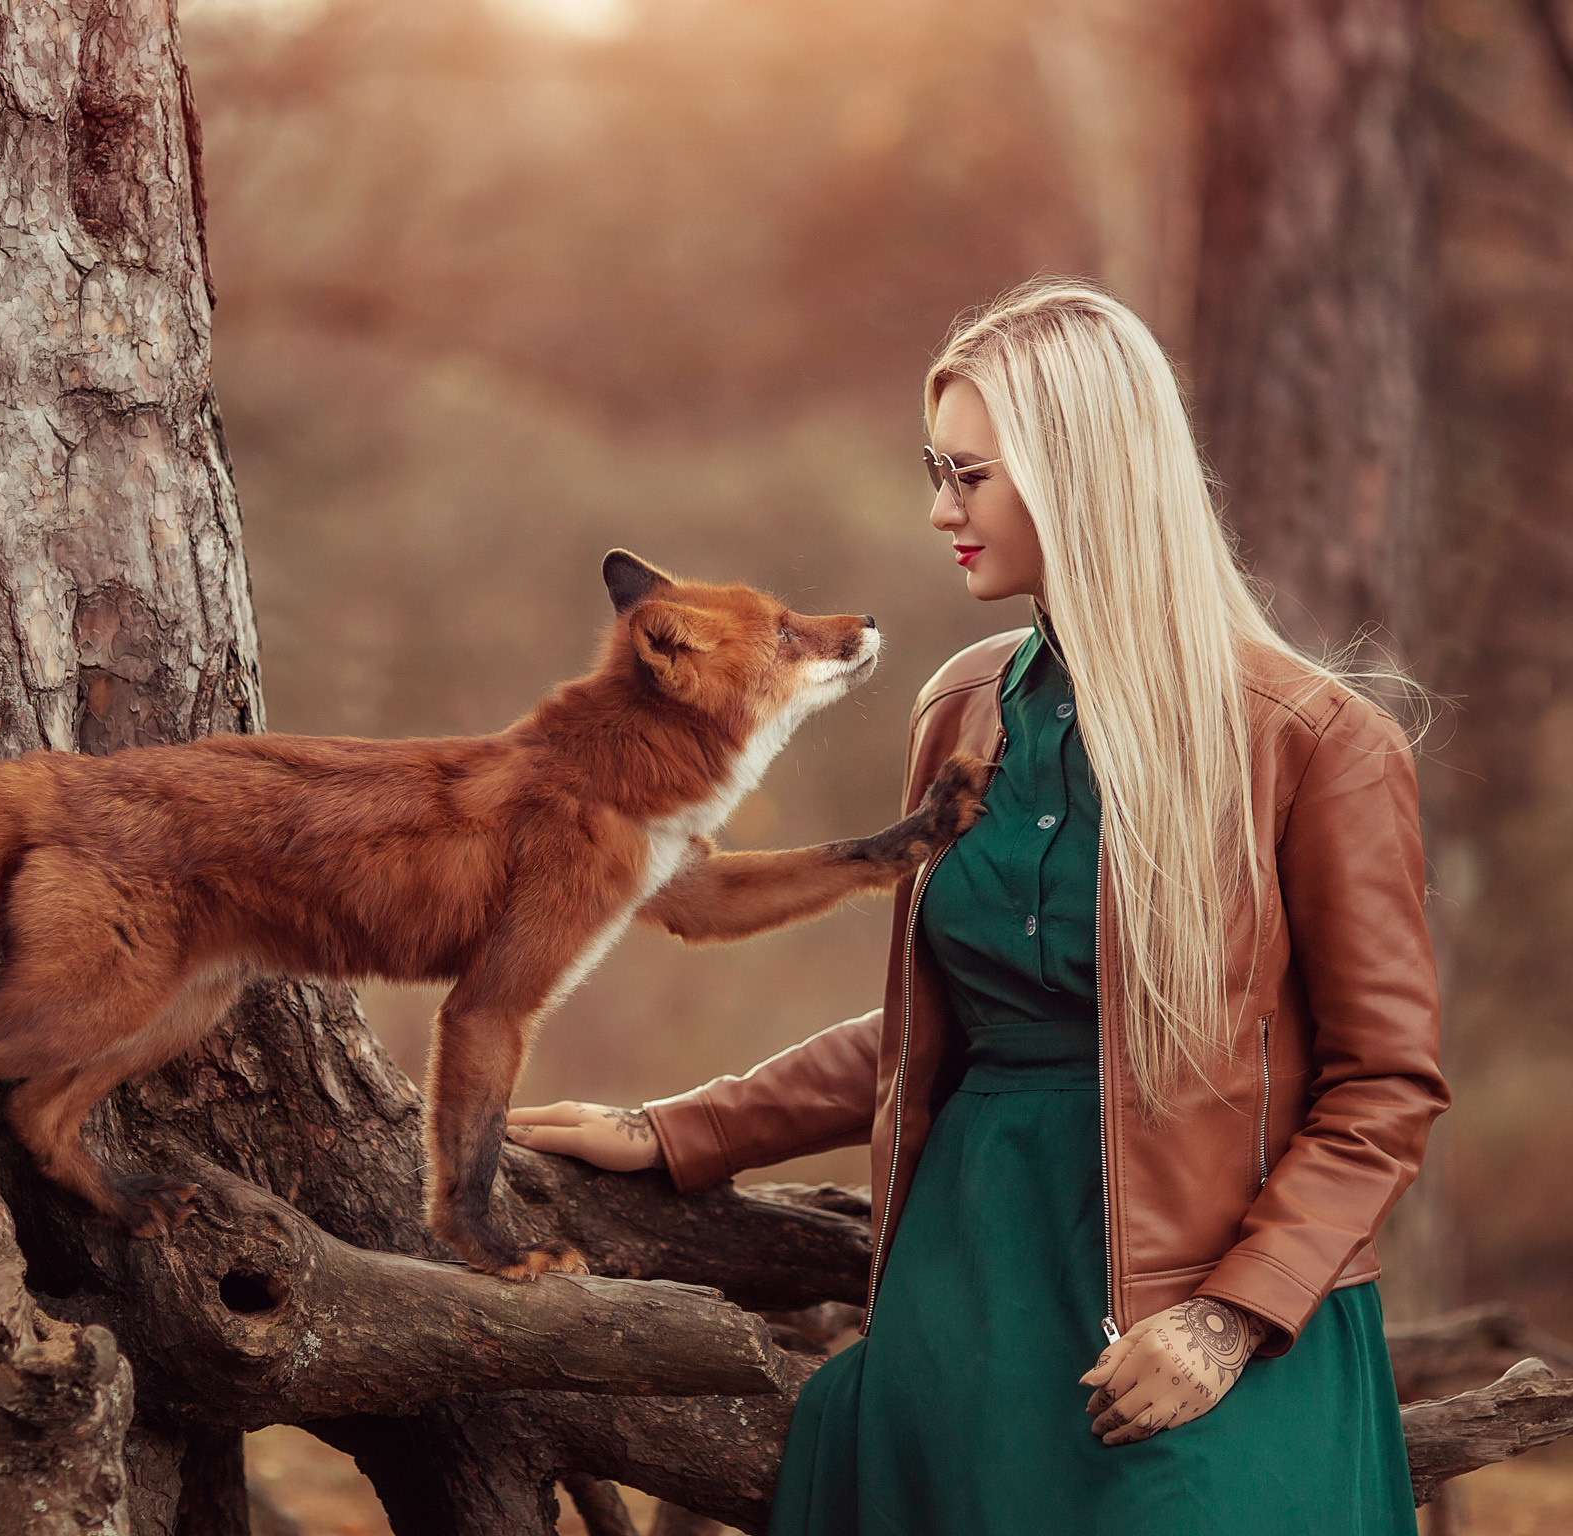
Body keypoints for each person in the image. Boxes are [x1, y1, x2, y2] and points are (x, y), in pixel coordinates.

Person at [506, 278, 1447, 1535]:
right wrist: (684, 1128)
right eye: (932, 470)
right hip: (964, 1295)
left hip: (1211, 1327)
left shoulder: (1316, 743)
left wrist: (1228, 1319)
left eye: (970, 476)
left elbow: (1384, 1086)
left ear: (1083, 475)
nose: (937, 510)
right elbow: (935, 1021)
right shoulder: (961, 706)